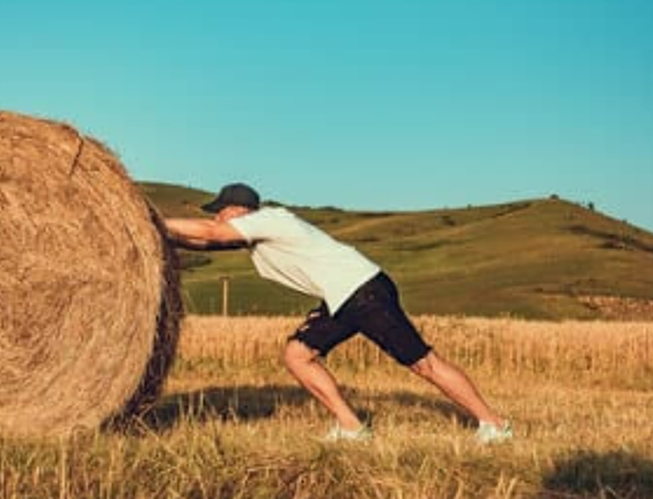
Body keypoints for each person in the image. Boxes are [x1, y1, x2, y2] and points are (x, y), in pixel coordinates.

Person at [164, 182, 513, 444]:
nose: (215, 216)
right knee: (297, 354)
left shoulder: (270, 220)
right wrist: (159, 235)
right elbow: (206, 241)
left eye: (220, 210)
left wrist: (152, 218)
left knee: (423, 363)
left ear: (238, 210)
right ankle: (351, 427)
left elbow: (210, 233)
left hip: (364, 291)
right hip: (343, 297)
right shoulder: (256, 236)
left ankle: (494, 424)